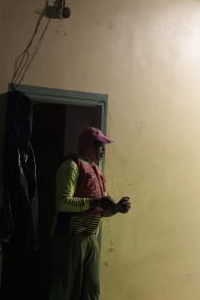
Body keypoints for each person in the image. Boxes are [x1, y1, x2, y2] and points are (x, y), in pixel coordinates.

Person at [49, 126, 131, 300]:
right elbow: (62, 203)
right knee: (65, 289)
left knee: (91, 290)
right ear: (88, 146)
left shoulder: (96, 171)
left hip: (90, 236)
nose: (103, 152)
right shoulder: (71, 166)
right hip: (69, 236)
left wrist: (116, 209)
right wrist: (97, 202)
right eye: (101, 147)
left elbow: (99, 211)